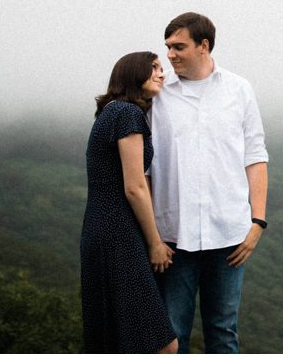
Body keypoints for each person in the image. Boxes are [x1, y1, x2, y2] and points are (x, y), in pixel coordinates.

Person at [150, 12, 269, 353]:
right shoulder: (157, 94)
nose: (170, 54)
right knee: (172, 336)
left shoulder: (239, 89)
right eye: (168, 47)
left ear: (203, 46)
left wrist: (258, 222)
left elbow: (255, 156)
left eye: (179, 47)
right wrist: (151, 236)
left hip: (229, 235)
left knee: (223, 332)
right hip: (173, 238)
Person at [81, 51, 179, 354]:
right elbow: (135, 187)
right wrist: (155, 243)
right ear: (134, 73)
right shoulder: (127, 114)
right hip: (119, 234)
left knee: (117, 341)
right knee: (164, 346)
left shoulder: (111, 112)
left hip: (101, 230)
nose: (162, 73)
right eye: (154, 68)